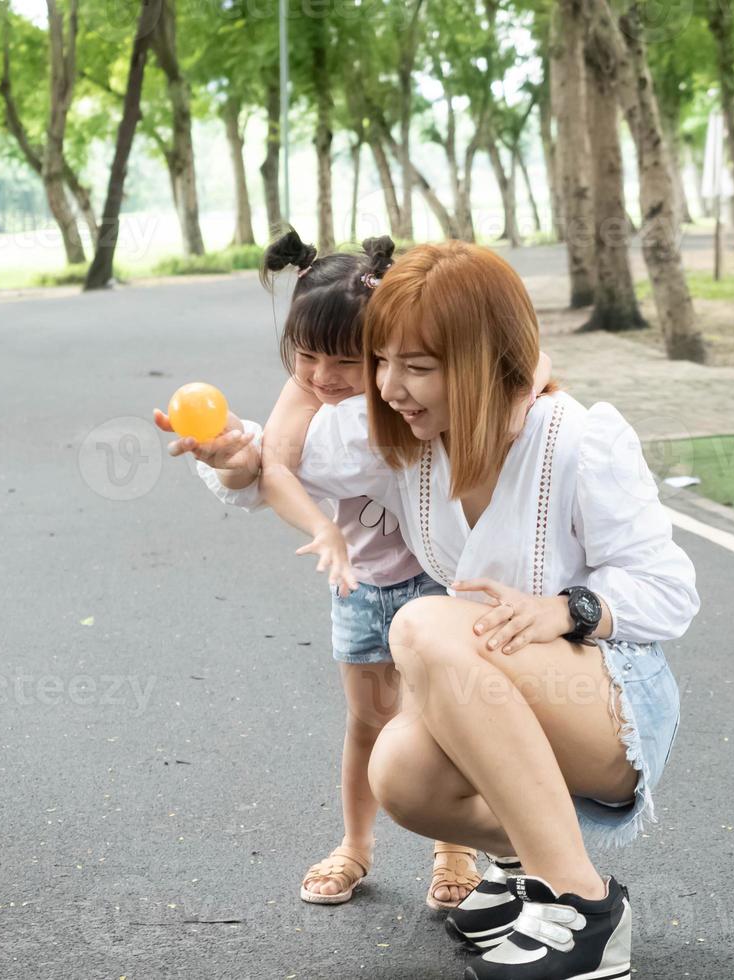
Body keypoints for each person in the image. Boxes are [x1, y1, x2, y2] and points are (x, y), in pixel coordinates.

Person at [196, 240, 698, 980]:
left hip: (611, 702)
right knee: (399, 772)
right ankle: (521, 871)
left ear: (483, 360)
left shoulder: (580, 443)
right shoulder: (401, 440)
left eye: (418, 367)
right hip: (505, 694)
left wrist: (569, 610)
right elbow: (276, 458)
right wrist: (229, 456)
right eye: (382, 362)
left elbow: (671, 589)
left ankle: (583, 907)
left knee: (421, 622)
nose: (391, 387)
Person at [156, 229, 487, 910]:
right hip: (362, 586)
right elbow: (269, 465)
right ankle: (355, 846)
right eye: (305, 355)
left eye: (344, 360)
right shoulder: (305, 395)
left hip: (441, 582)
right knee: (368, 720)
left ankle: (454, 850)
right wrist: (315, 523)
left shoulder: (410, 394)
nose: (322, 375)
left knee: (443, 719)